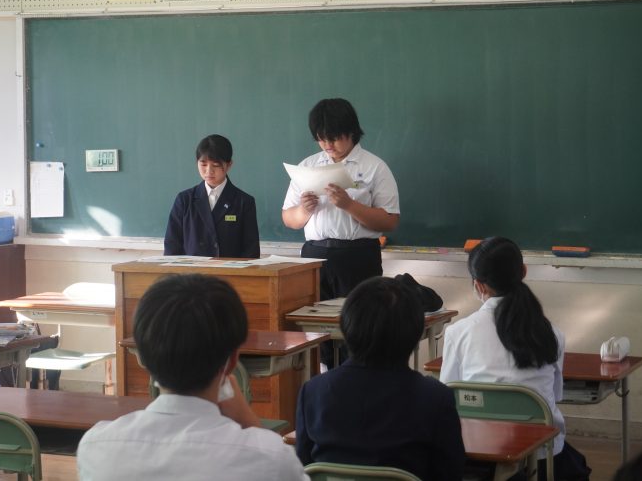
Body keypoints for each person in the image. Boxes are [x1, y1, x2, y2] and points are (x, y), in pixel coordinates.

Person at [77, 274, 308, 481]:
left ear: (143, 357)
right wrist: (249, 422)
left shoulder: (96, 445)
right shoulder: (269, 458)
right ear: (232, 362)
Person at [440, 236, 591, 481]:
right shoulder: (551, 334)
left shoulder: (458, 333)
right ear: (523, 272)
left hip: (480, 457)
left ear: (478, 285)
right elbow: (554, 396)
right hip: (542, 457)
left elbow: (450, 398)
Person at [295, 276, 464, 479]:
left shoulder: (313, 392)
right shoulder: (435, 398)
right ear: (415, 334)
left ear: (347, 327)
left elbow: (303, 469)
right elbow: (451, 473)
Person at [282, 98, 400, 366]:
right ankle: (324, 379)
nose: (327, 145)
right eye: (321, 138)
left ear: (351, 132)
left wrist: (349, 205)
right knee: (314, 333)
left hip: (357, 257)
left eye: (334, 138)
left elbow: (390, 220)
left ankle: (358, 377)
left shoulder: (374, 167)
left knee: (360, 328)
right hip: (314, 258)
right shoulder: (308, 166)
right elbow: (289, 218)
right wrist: (304, 210)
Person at [164, 134, 260, 258]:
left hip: (229, 269)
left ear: (229, 165)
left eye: (215, 165)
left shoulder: (244, 202)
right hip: (192, 270)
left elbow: (251, 251)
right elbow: (172, 247)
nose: (209, 171)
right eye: (203, 164)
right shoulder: (184, 200)